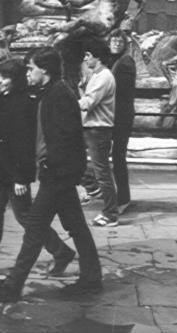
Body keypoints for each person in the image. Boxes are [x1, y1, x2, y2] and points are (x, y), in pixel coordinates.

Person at [0, 48, 102, 302]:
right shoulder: (52, 93)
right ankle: (91, 278)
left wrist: (61, 172)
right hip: (59, 173)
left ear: (44, 70)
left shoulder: (59, 95)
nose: (28, 72)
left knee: (34, 228)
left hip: (57, 174)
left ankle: (13, 286)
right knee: (77, 227)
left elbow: (68, 139)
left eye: (31, 67)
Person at [0, 59, 75, 278]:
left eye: (4, 78)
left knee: (26, 217)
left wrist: (22, 178)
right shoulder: (2, 98)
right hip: (0, 170)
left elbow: (24, 143)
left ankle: (61, 252)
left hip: (15, 173)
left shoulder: (25, 103)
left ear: (15, 80)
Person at [78, 39, 118, 227]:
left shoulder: (104, 77)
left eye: (88, 55)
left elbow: (88, 102)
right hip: (90, 127)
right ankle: (93, 189)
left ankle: (110, 214)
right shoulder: (96, 75)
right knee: (73, 158)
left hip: (99, 129)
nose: (85, 58)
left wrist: (65, 102)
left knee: (102, 172)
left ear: (97, 57)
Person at [108, 30, 135, 214]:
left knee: (118, 157)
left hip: (121, 116)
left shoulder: (126, 61)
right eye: (113, 40)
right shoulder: (113, 60)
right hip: (113, 114)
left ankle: (123, 198)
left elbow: (121, 89)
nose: (116, 43)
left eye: (119, 41)